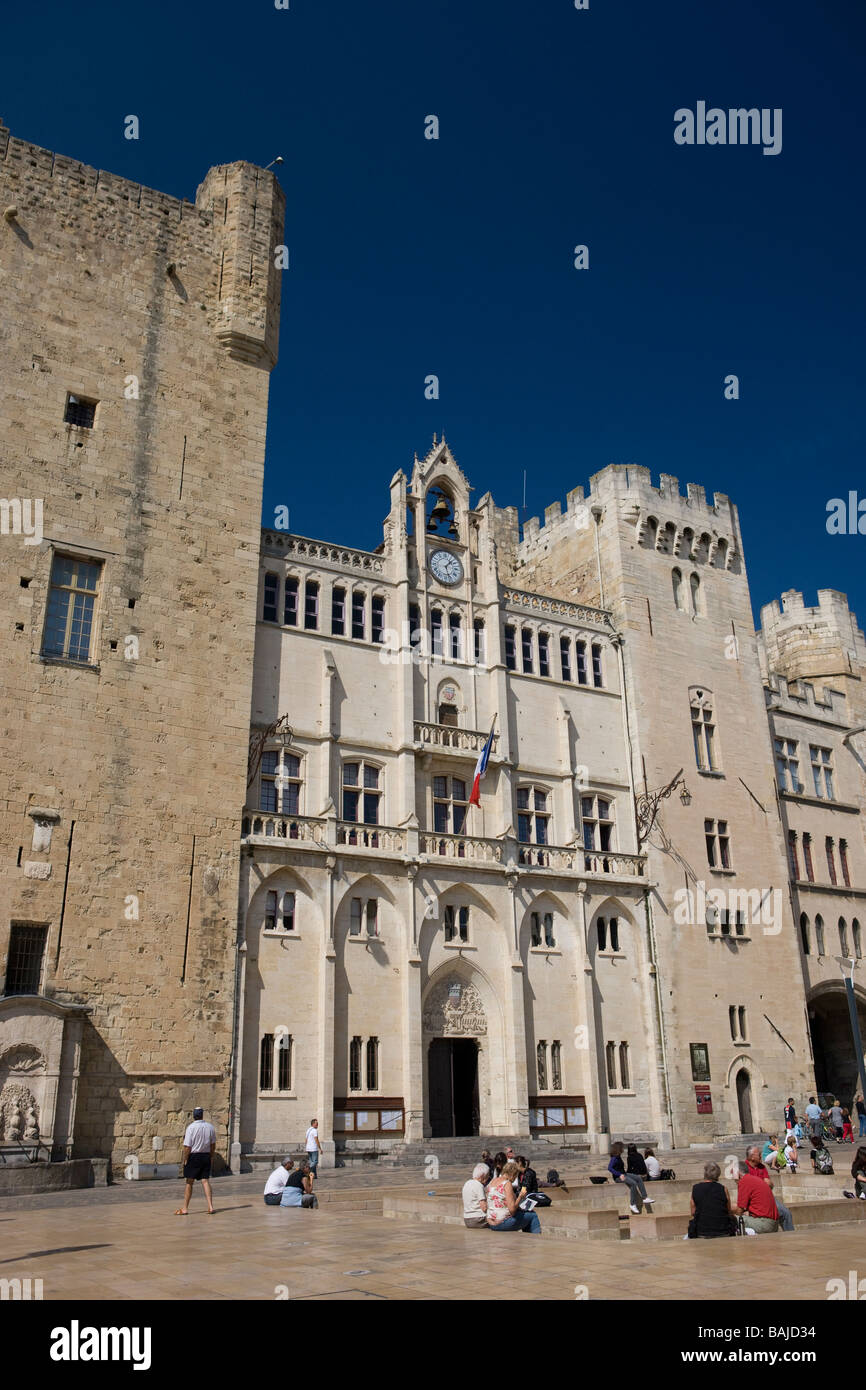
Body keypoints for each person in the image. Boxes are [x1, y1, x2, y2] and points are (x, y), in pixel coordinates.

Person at [176, 1106, 216, 1216]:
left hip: (194, 1156)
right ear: (202, 1115)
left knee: (189, 1182)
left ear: (194, 1115)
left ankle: (185, 1208)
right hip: (205, 1156)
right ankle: (210, 1206)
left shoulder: (191, 1128)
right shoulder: (210, 1127)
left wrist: (185, 1159)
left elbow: (187, 1146)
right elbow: (213, 1145)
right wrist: (211, 1156)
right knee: (205, 1181)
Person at [743, 1146, 794, 1230]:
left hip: (767, 1197)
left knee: (786, 1213)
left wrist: (769, 1184)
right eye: (759, 1154)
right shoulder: (744, 1168)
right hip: (753, 1200)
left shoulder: (762, 1167)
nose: (761, 1156)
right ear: (752, 1157)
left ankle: (791, 1235)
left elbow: (769, 1185)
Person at [486, 1161, 541, 1232]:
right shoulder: (507, 1184)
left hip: (492, 1223)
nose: (515, 1179)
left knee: (525, 1215)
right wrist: (520, 1196)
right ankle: (535, 1239)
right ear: (512, 1174)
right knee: (533, 1216)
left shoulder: (492, 1182)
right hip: (502, 1222)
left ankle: (527, 1237)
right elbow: (512, 1210)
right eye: (516, 1176)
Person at [689, 1161, 736, 1238]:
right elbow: (728, 1211)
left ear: (705, 1173)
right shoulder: (723, 1189)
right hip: (723, 1231)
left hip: (702, 1231)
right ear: (718, 1174)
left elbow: (693, 1212)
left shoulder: (695, 1188)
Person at [608, 1141, 654, 1214]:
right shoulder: (614, 1158)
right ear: (618, 1149)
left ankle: (645, 1197)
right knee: (633, 1183)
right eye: (622, 1148)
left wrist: (623, 1174)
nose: (623, 1149)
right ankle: (632, 1204)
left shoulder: (618, 1156)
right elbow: (610, 1168)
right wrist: (619, 1174)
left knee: (638, 1178)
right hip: (618, 1177)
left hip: (624, 1174)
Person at [735, 1162, 779, 1234]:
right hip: (773, 1223)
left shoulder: (744, 1181)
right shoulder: (754, 1179)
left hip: (765, 1224)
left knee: (730, 1218)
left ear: (738, 1173)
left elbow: (739, 1210)